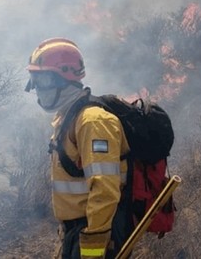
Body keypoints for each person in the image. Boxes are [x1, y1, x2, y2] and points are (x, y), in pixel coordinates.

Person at [25, 37, 132, 259]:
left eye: (43, 79)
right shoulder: (68, 117)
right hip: (77, 229)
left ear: (65, 77)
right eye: (34, 80)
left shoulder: (92, 121)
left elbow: (105, 189)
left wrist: (94, 244)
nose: (37, 88)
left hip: (97, 230)